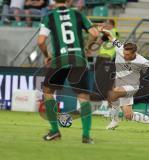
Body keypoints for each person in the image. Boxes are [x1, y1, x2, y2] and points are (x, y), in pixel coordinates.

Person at [38, 0, 99, 143]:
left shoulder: (49, 16)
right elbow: (95, 33)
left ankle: (54, 132)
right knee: (83, 96)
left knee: (48, 92)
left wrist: (47, 56)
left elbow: (41, 41)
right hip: (79, 59)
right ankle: (85, 136)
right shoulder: (78, 14)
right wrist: (86, 47)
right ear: (68, 1)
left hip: (60, 59)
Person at [98, 27, 149, 131]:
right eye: (124, 53)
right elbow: (110, 36)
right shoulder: (120, 48)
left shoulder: (141, 60)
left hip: (132, 86)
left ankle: (115, 120)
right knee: (128, 115)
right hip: (120, 84)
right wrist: (103, 30)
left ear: (134, 53)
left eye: (127, 55)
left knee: (113, 93)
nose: (125, 56)